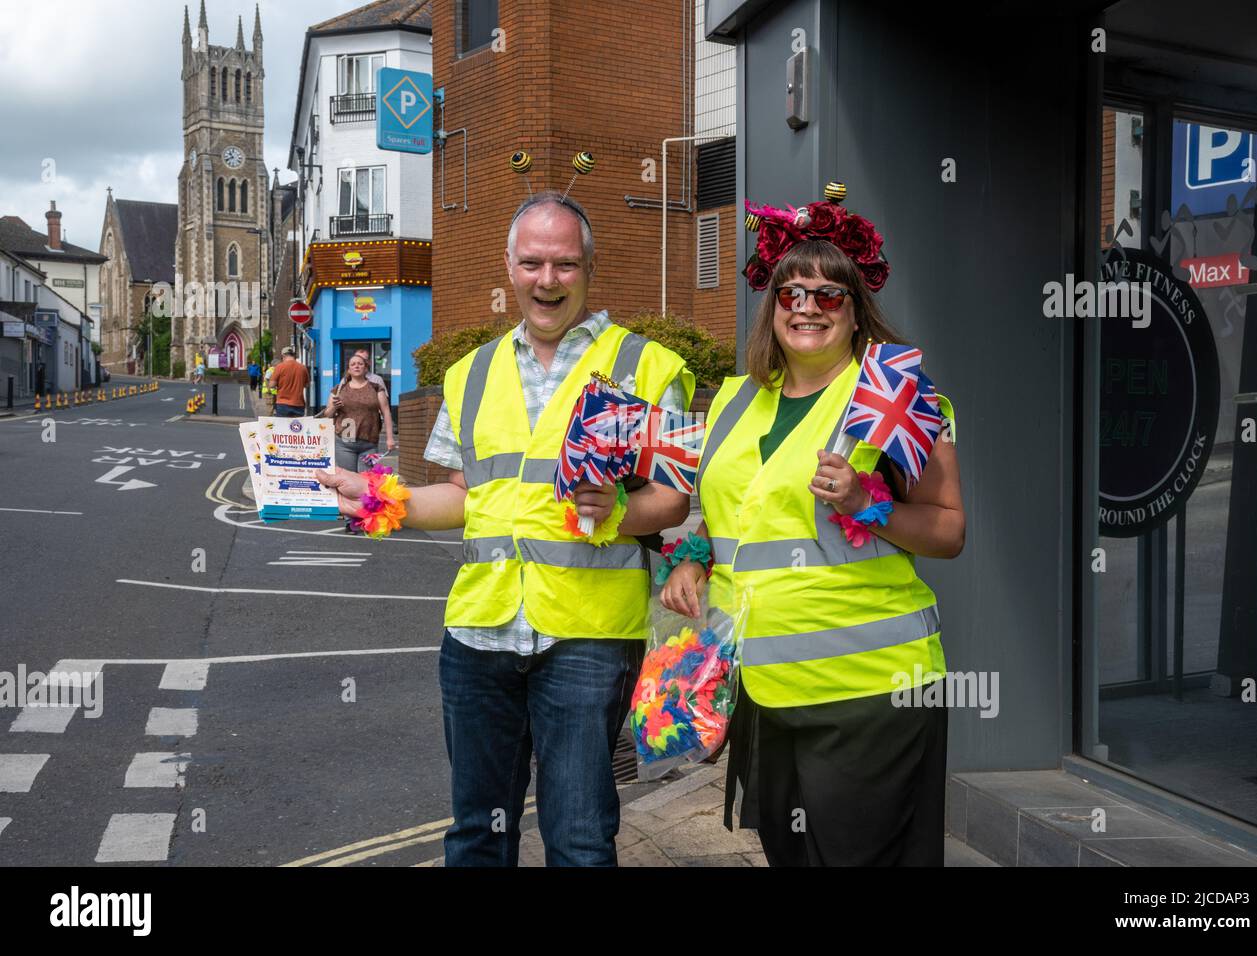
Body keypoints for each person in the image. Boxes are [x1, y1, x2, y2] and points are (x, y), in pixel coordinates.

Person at [322, 190, 694, 866]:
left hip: (587, 636)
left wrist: (615, 511)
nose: (546, 281)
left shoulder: (647, 367)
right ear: (508, 266)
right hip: (478, 634)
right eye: (532, 263)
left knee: (579, 840)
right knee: (475, 836)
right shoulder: (470, 373)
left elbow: (672, 501)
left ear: (590, 266)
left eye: (564, 265)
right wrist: (379, 499)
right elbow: (464, 496)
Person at [660, 191, 965, 866]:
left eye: (828, 295)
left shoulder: (901, 397)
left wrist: (866, 502)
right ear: (771, 307)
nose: (806, 306)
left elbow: (947, 531)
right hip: (766, 693)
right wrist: (692, 558)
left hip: (870, 693)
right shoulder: (735, 399)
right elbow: (729, 512)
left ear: (856, 312)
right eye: (790, 291)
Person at [322, 351, 395, 472]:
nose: (357, 366)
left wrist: (390, 438)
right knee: (348, 479)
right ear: (349, 370)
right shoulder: (339, 389)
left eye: (360, 364)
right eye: (353, 364)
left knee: (366, 480)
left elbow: (386, 412)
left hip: (369, 443)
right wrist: (334, 407)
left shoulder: (376, 388)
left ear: (366, 368)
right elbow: (327, 415)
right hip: (344, 443)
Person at [272, 346, 309, 417]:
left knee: (283, 427)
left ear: (283, 355)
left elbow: (272, 384)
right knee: (297, 427)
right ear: (293, 355)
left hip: (282, 404)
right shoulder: (303, 368)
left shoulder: (279, 367)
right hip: (298, 404)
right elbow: (307, 385)